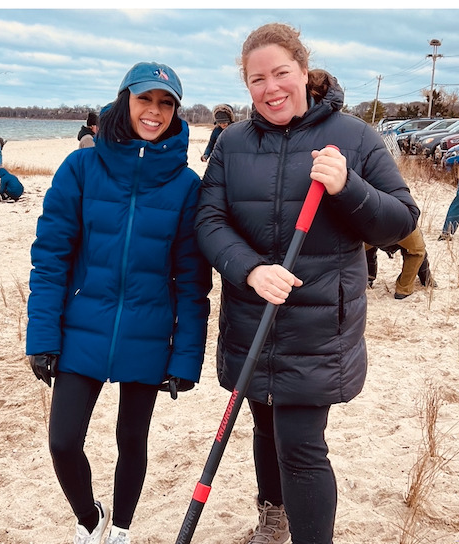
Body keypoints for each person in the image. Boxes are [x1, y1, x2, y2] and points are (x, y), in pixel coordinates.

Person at [195, 23, 419, 544]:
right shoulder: (232, 143)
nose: (271, 88)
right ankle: (273, 518)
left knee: (299, 446)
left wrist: (348, 187)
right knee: (265, 428)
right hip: (252, 317)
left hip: (317, 326)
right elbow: (209, 221)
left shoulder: (355, 137)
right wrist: (249, 268)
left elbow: (401, 221)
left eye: (281, 73)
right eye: (257, 79)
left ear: (303, 70)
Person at [26, 61, 211, 544]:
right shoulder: (82, 167)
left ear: (175, 111)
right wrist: (42, 336)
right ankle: (89, 520)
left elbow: (193, 281)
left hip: (148, 335)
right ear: (124, 100)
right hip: (80, 327)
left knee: (132, 441)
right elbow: (51, 258)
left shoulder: (186, 186)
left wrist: (186, 356)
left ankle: (121, 531)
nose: (154, 112)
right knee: (63, 442)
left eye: (165, 103)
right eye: (145, 100)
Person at [365, 225, 435, 299]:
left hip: (373, 230)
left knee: (362, 248)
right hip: (402, 226)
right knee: (417, 251)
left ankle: (367, 278)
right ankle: (406, 288)